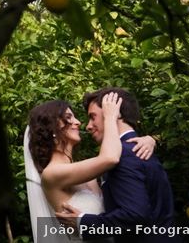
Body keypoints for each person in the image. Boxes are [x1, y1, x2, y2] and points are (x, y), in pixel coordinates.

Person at [23, 92, 157, 242]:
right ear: (52, 129)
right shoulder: (52, 174)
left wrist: (151, 139)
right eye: (68, 118)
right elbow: (110, 157)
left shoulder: (88, 172)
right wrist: (110, 117)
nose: (78, 122)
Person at [55, 87, 181, 242]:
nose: (87, 126)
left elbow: (134, 214)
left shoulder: (125, 154)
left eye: (93, 117)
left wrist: (84, 222)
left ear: (114, 112)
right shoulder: (138, 148)